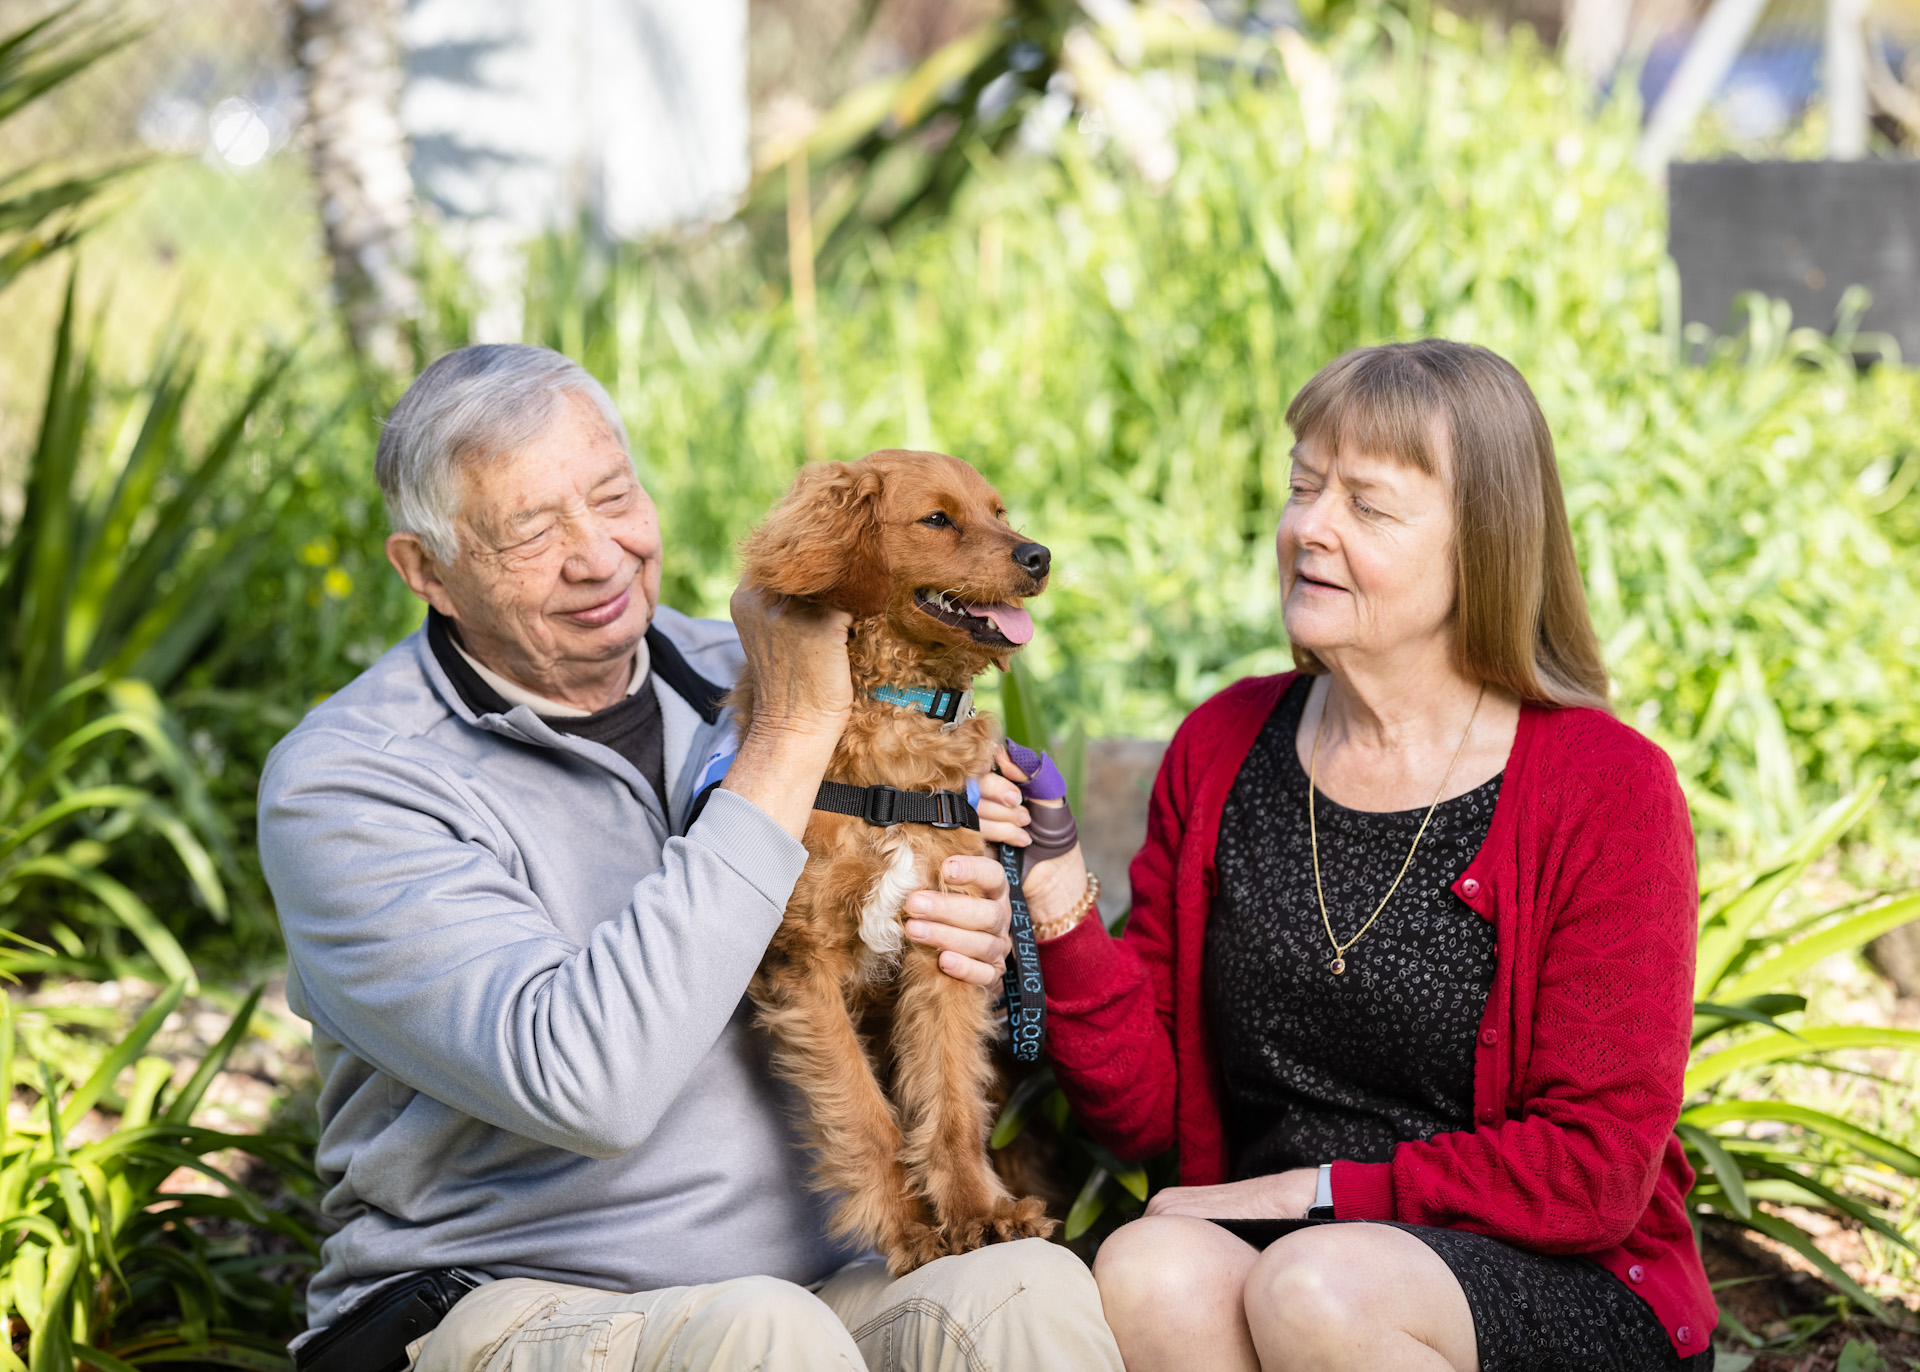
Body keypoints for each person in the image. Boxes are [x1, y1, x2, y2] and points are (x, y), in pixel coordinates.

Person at [258, 344, 1123, 1372]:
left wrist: (957, 936)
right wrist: (793, 735)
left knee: (1024, 1292)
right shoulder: (350, 782)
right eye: (532, 530)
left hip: (826, 1279)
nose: (598, 556)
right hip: (510, 1297)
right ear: (427, 571)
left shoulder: (744, 669)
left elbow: (868, 969)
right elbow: (587, 1086)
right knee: (764, 1336)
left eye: (613, 496)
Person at [984, 341, 1717, 1372]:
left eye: (1367, 505)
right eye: (1302, 486)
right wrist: (1057, 901)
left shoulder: (1606, 786)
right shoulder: (1226, 745)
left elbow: (1593, 1169)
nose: (1309, 528)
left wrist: (1313, 1195)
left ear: (1486, 548)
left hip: (1544, 1274)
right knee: (1151, 1268)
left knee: (1317, 1286)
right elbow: (1146, 1111)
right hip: (1297, 1258)